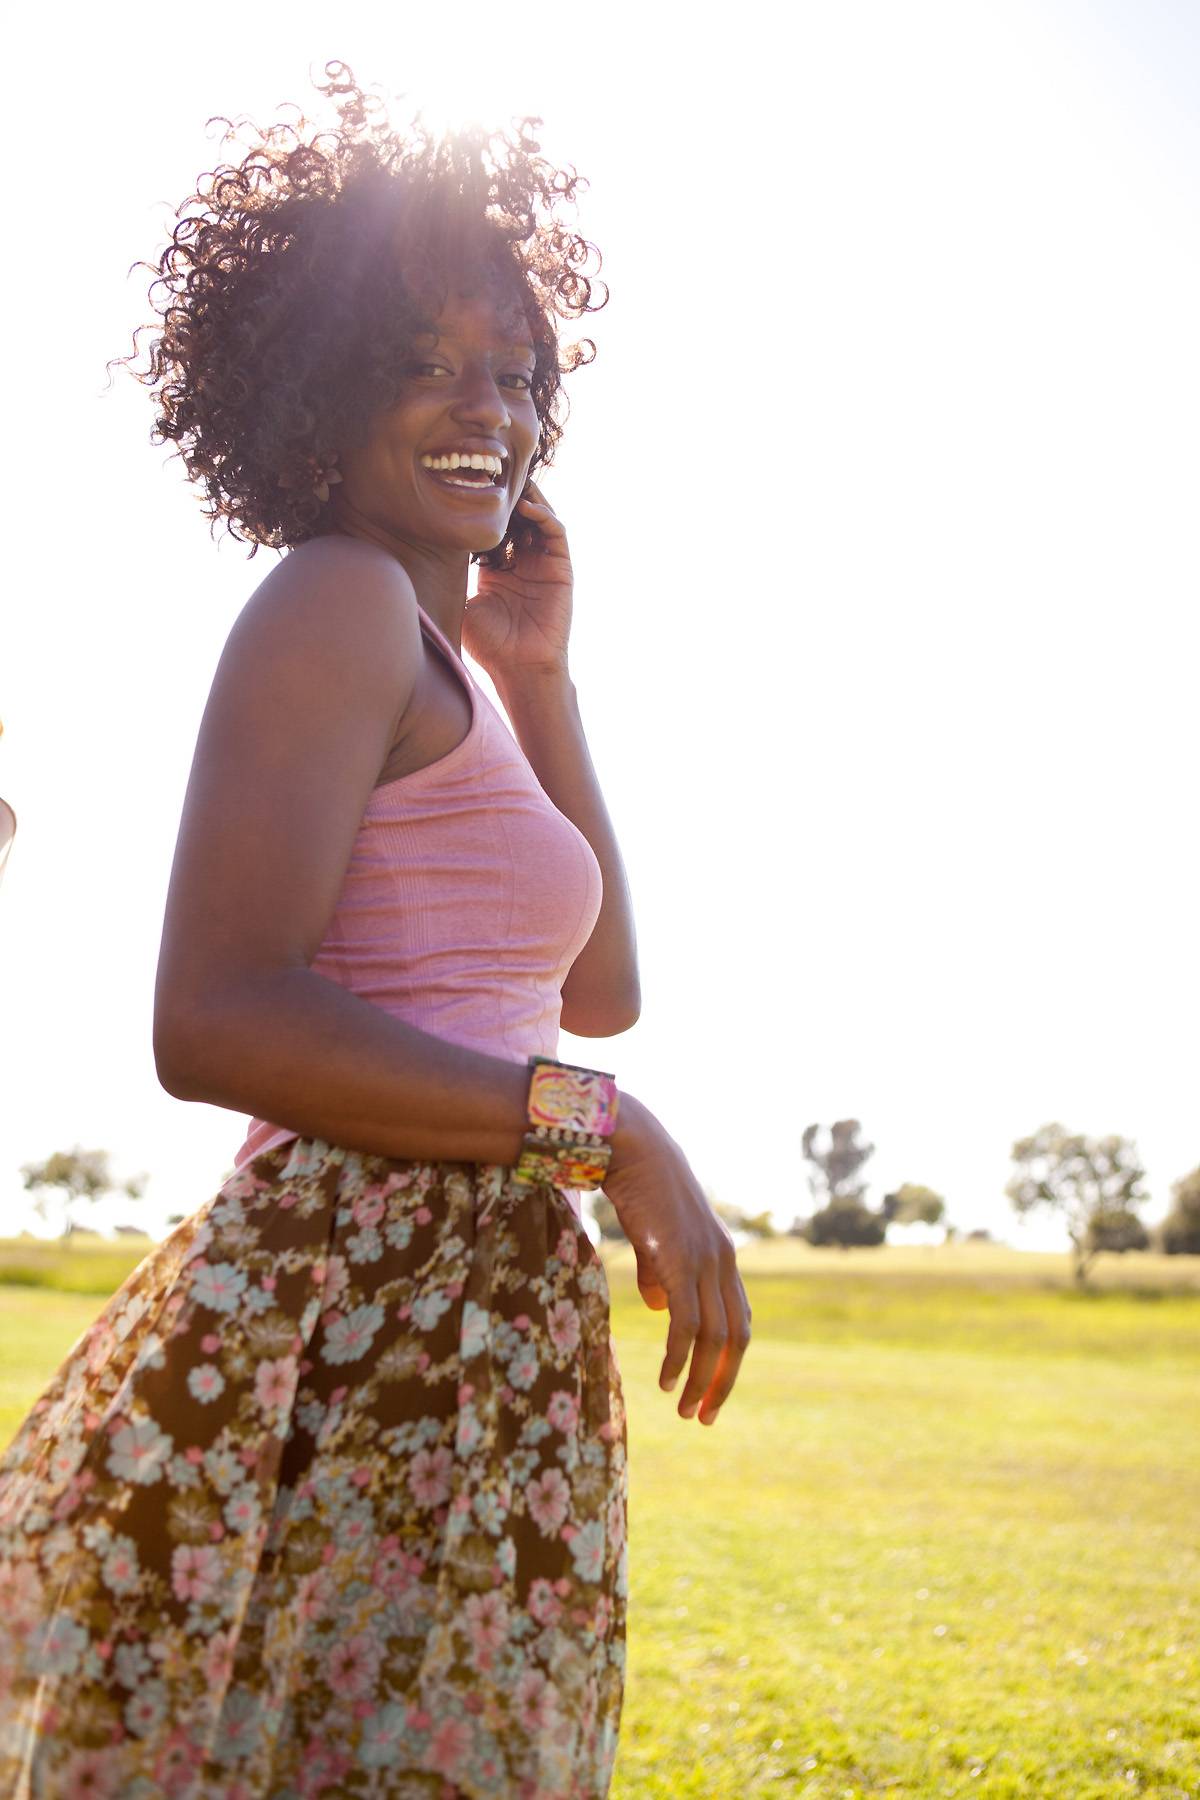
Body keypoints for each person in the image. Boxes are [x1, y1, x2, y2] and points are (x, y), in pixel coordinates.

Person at [0, 64, 751, 1799]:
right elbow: (216, 1020)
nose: (484, 403)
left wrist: (542, 676)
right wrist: (601, 1129)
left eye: (512, 370)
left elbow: (599, 991)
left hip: (476, 1314)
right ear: (312, 402)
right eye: (420, 364)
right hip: (357, 1302)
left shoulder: (446, 665)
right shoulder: (332, 601)